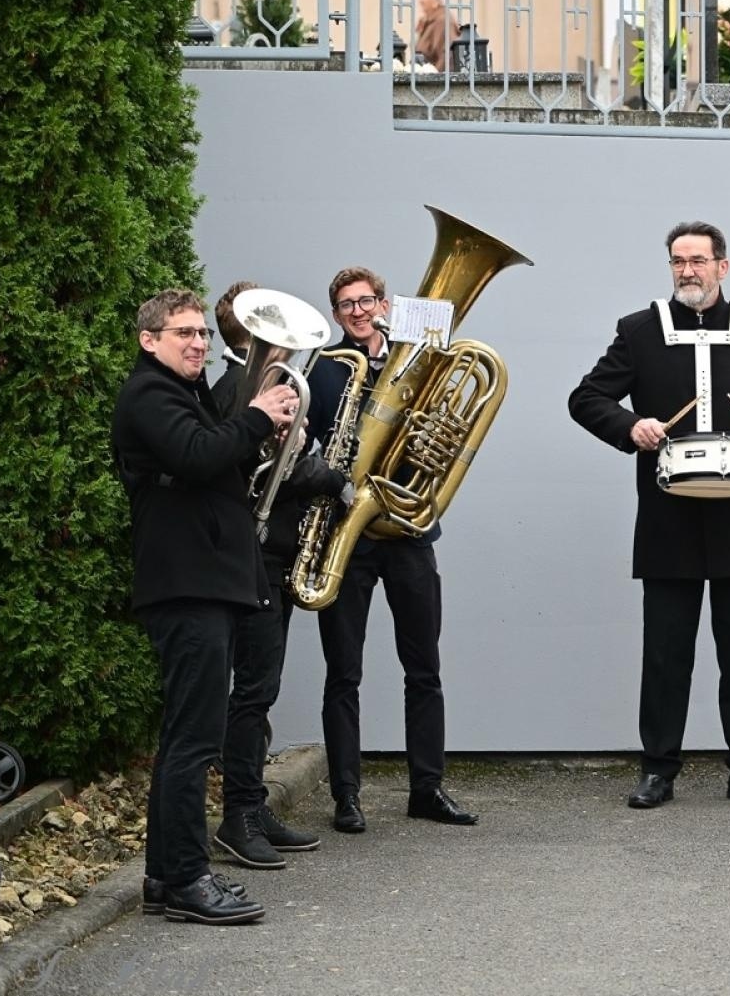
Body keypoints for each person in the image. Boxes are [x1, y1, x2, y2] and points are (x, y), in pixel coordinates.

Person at [568, 221, 730, 809]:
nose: (687, 271)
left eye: (698, 261)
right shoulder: (638, 330)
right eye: (678, 261)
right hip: (667, 513)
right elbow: (586, 398)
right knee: (665, 651)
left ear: (722, 267)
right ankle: (658, 769)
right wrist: (631, 426)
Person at [112, 289, 297, 925]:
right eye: (184, 333)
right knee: (194, 742)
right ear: (150, 340)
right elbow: (195, 456)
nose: (198, 343)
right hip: (186, 584)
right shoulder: (149, 394)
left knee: (185, 740)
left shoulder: (180, 394)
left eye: (202, 335)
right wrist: (255, 414)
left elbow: (219, 458)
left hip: (203, 581)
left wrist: (266, 425)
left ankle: (166, 877)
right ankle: (190, 879)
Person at [305, 266, 476, 833]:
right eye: (347, 304)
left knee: (424, 667)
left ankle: (427, 787)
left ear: (384, 303)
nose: (359, 311)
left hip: (406, 531)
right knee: (343, 674)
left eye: (367, 300)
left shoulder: (425, 358)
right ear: (336, 314)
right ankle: (346, 796)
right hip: (348, 534)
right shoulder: (323, 370)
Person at [205, 281, 343, 869]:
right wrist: (327, 476)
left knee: (263, 688)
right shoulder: (238, 392)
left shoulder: (268, 391)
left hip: (272, 551)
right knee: (254, 690)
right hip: (252, 554)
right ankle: (238, 814)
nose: (285, 350)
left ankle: (252, 804)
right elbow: (268, 473)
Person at [414, 0, 454, 72]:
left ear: (436, 0)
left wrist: (434, 79)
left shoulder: (442, 21)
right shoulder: (429, 21)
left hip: (434, 84)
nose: (420, 1)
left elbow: (447, 56)